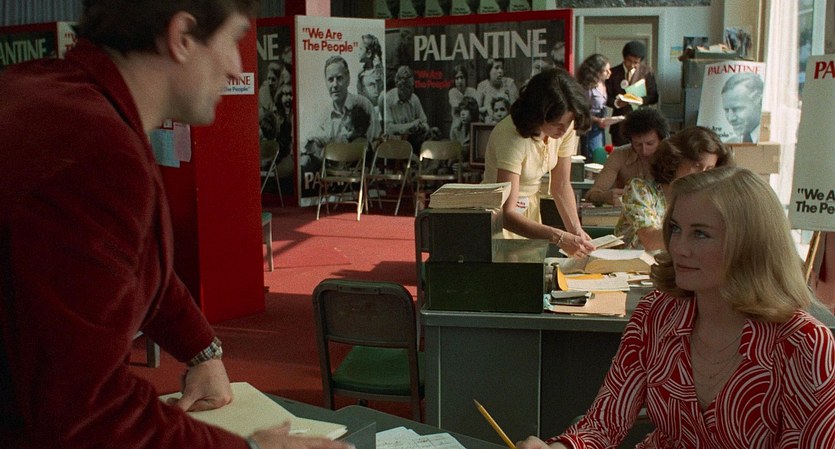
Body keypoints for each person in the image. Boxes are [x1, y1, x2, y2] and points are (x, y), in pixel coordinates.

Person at [0, 2, 355, 449]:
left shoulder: (52, 95)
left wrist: (201, 349)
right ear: (182, 37)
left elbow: (128, 265)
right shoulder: (94, 149)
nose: (236, 67)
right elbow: (89, 414)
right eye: (233, 39)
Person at [518, 166, 835, 449]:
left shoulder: (805, 343)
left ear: (749, 243)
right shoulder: (657, 313)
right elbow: (603, 424)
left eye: (700, 234)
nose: (679, 247)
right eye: (676, 228)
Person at [482, 68, 596, 257]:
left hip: (530, 210)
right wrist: (559, 237)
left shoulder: (566, 128)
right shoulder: (511, 136)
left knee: (533, 265)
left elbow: (561, 185)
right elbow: (506, 214)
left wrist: (576, 231)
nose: (564, 130)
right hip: (498, 217)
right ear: (537, 115)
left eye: (568, 123)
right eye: (557, 124)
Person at [615, 126, 732, 250]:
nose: (702, 174)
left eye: (709, 169)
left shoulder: (705, 198)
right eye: (697, 165)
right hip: (630, 261)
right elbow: (650, 241)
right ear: (676, 160)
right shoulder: (640, 190)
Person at [585, 108, 670, 206]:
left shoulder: (671, 158)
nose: (644, 150)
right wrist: (605, 196)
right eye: (638, 144)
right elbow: (592, 194)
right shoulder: (618, 155)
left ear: (661, 140)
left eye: (650, 144)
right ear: (630, 141)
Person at [304, 55, 376, 169]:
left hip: (360, 170)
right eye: (330, 80)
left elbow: (375, 142)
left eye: (339, 78)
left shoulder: (364, 105)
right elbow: (316, 146)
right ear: (326, 82)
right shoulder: (323, 115)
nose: (335, 85)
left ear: (348, 79)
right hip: (331, 171)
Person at [605, 40, 659, 146]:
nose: (632, 65)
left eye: (636, 62)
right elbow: (606, 97)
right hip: (619, 124)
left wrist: (641, 100)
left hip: (641, 122)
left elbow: (654, 97)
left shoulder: (647, 72)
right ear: (624, 58)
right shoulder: (613, 73)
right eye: (629, 61)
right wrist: (616, 103)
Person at [575, 53, 618, 160]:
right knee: (592, 156)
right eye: (605, 71)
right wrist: (598, 120)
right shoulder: (587, 88)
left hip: (600, 125)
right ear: (596, 72)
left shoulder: (602, 83)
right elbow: (581, 111)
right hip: (590, 125)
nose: (609, 73)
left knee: (600, 154)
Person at [384, 65, 431, 154]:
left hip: (413, 141)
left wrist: (422, 127)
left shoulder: (414, 98)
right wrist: (410, 126)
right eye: (409, 87)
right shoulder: (388, 99)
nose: (412, 90)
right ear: (399, 86)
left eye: (412, 86)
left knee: (433, 133)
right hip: (395, 143)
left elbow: (425, 122)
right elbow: (388, 128)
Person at [721, 72, 764, 143]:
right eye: (726, 110)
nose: (731, 118)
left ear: (757, 99)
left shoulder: (776, 139)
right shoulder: (728, 144)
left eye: (737, 109)